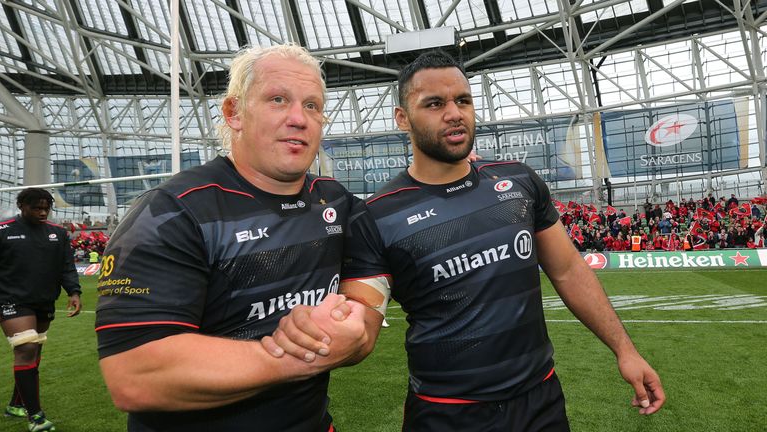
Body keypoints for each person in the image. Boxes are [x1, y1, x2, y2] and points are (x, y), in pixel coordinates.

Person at [268, 50, 665, 431]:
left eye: (463, 100)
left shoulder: (520, 181)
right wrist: (332, 334)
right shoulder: (375, 215)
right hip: (446, 414)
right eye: (435, 104)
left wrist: (625, 350)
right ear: (403, 118)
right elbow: (365, 319)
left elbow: (568, 270)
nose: (455, 114)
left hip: (540, 400)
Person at [94, 44, 369, 432]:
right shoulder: (171, 212)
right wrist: (305, 355)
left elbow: (367, 310)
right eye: (278, 100)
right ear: (234, 113)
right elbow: (135, 375)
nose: (299, 118)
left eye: (312, 106)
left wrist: (355, 333)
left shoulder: (337, 203)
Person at [0, 188, 82, 431]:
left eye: (46, 207)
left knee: (33, 351)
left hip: (44, 301)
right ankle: (35, 417)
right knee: (26, 347)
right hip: (11, 300)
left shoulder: (58, 233)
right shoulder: (3, 231)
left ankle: (16, 403)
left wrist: (74, 292)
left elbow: (67, 266)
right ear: (21, 206)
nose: (43, 212)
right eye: (36, 207)